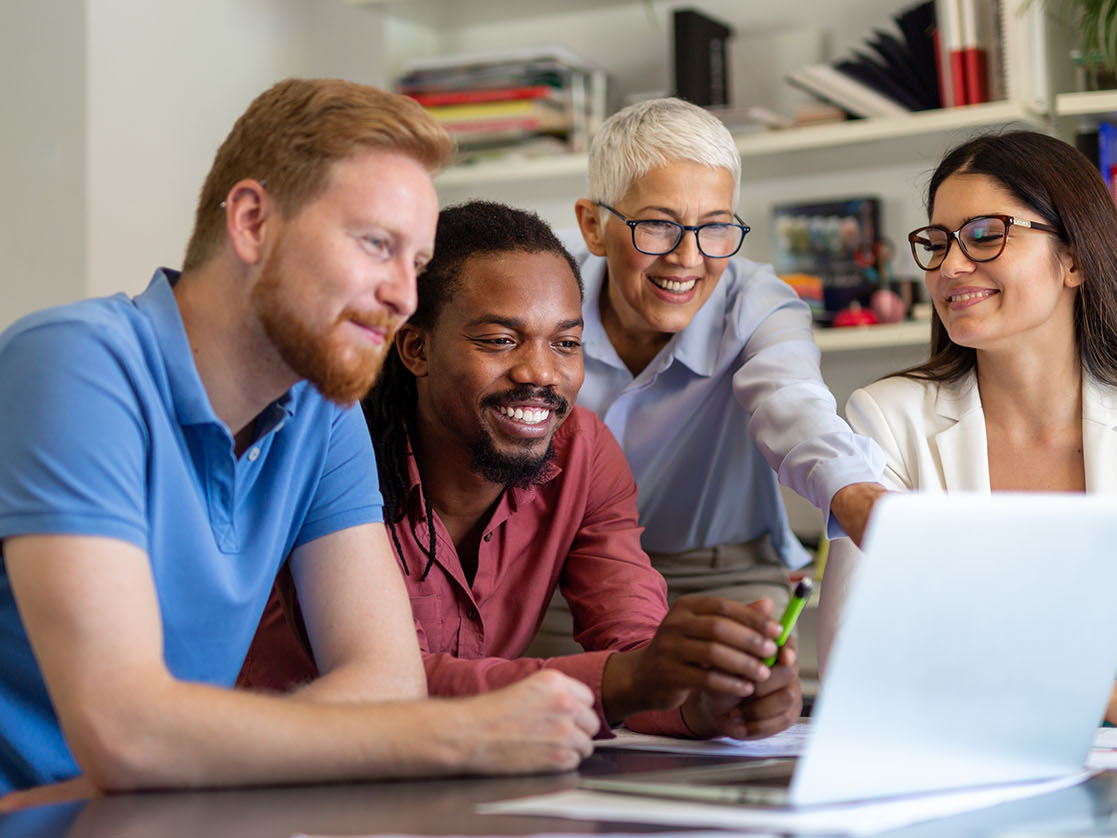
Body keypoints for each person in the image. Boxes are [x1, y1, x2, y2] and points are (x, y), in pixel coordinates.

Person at [0, 78, 601, 800]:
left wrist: (172, 756)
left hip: (159, 817)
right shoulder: (73, 362)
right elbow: (125, 731)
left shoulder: (323, 412)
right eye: (377, 244)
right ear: (252, 222)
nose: (404, 298)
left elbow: (386, 682)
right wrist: (466, 735)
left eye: (414, 265)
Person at [240, 200, 802, 742]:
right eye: (500, 340)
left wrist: (700, 698)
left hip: (460, 771)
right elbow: (388, 682)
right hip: (280, 778)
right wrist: (630, 680)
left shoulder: (582, 454)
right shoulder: (337, 451)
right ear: (416, 349)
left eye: (566, 343)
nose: (540, 372)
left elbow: (634, 644)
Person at [818, 129, 1117, 731]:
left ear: (1074, 258)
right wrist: (1109, 700)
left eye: (986, 235)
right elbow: (857, 660)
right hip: (958, 767)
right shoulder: (887, 419)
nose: (950, 265)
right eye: (936, 243)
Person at [529, 98, 888, 655]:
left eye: (715, 228)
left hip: (722, 576)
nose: (688, 257)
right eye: (657, 225)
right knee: (554, 724)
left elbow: (792, 402)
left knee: (743, 722)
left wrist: (857, 493)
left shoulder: (758, 303)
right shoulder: (538, 287)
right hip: (558, 578)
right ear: (593, 227)